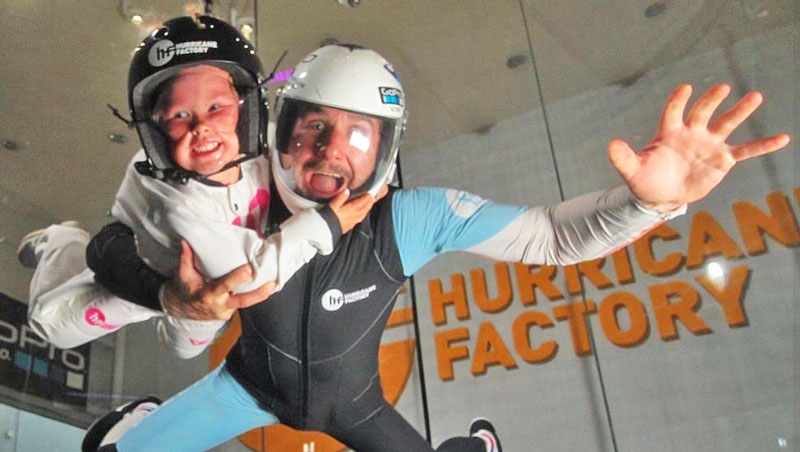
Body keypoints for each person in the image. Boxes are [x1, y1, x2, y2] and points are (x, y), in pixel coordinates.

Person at [82, 44, 790, 452]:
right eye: (310, 130)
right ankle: (142, 420)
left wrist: (652, 202)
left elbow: (549, 237)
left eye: (358, 136)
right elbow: (115, 238)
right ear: (276, 132)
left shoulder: (411, 220)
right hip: (245, 387)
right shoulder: (235, 196)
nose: (331, 154)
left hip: (354, 404)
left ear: (387, 152)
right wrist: (162, 292)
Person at [17, 15, 376, 359]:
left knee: (184, 349)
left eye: (217, 107)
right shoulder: (177, 206)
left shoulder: (259, 146)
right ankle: (60, 240)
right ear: (155, 129)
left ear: (245, 110)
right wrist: (324, 226)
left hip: (210, 277)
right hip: (154, 268)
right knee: (52, 327)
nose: (201, 127)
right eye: (179, 115)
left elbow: (309, 157)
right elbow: (250, 277)